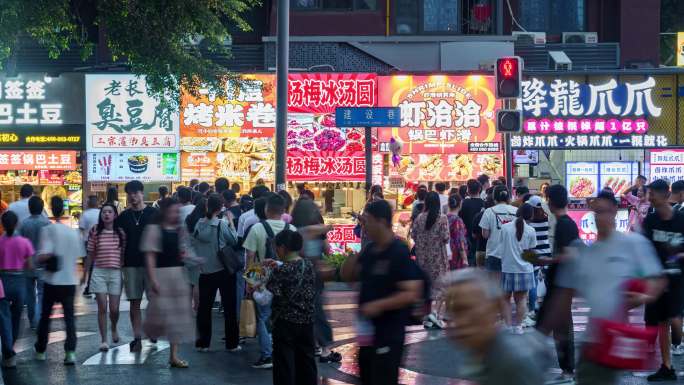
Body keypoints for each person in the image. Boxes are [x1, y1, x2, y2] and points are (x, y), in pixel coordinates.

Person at [547, 189, 665, 385]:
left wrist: (643, 298)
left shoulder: (633, 243)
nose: (599, 217)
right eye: (596, 212)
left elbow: (658, 279)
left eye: (604, 211)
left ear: (614, 211)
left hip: (617, 338)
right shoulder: (588, 253)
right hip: (592, 342)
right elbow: (566, 293)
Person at [336, 199, 422, 385]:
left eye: (367, 221)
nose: (364, 226)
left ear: (382, 222)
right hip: (367, 337)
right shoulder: (370, 250)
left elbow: (410, 292)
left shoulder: (398, 251)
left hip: (388, 335)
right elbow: (349, 277)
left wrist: (378, 305)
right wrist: (351, 259)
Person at [442, 269, 548, 385]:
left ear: (494, 307)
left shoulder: (511, 362)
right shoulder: (485, 353)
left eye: (466, 309)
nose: (459, 321)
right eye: (454, 312)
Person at [141, 198, 197, 368]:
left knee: (177, 318)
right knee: (159, 315)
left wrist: (194, 259)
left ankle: (174, 355)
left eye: (177, 212)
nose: (176, 214)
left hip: (178, 276)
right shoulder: (154, 229)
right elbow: (150, 256)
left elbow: (184, 251)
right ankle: (149, 335)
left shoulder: (180, 230)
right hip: (161, 275)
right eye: (173, 211)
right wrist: (152, 279)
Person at [243, 194, 297, 369]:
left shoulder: (257, 228)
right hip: (288, 283)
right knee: (286, 318)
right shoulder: (292, 229)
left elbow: (250, 257)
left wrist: (250, 283)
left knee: (264, 318)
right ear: (283, 210)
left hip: (263, 284)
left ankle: (267, 356)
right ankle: (285, 353)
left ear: (266, 209)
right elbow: (297, 259)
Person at [641, 180, 684, 381]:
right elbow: (643, 250)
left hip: (677, 278)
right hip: (657, 279)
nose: (650, 198)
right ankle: (666, 367)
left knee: (675, 320)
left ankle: (678, 339)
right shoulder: (650, 221)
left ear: (665, 196)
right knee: (661, 324)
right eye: (649, 194)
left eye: (652, 195)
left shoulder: (681, 220)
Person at [35, 196, 85, 365]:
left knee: (45, 317)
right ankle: (70, 352)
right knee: (70, 319)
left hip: (51, 280)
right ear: (63, 209)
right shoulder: (73, 232)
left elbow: (45, 254)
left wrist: (36, 259)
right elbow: (80, 254)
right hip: (70, 281)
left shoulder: (48, 230)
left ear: (50, 208)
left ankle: (41, 349)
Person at [535, 184, 578, 381]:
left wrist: (545, 261)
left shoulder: (564, 225)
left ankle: (567, 370)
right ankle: (566, 369)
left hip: (561, 285)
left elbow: (568, 255)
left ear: (550, 202)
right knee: (557, 328)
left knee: (553, 329)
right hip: (562, 284)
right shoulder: (566, 223)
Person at [290, 198, 340, 363]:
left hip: (297, 274)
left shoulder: (293, 229)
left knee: (302, 310)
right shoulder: (314, 230)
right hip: (314, 274)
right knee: (318, 311)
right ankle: (325, 347)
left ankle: (311, 344)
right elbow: (327, 249)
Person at [267, 230, 317, 385]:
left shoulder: (280, 271)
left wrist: (256, 287)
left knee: (284, 364)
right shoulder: (307, 265)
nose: (276, 251)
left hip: (285, 323)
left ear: (283, 248)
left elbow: (265, 298)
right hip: (307, 321)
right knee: (306, 361)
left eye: (277, 247)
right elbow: (293, 270)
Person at [192, 194, 240, 352]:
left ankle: (203, 343)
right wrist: (231, 222)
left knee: (204, 308)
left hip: (205, 270)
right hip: (223, 270)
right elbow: (234, 240)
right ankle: (232, 343)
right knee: (229, 308)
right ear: (220, 208)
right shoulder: (221, 224)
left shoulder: (199, 224)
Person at [115, 180, 158, 352]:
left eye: (136, 193)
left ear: (142, 194)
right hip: (130, 264)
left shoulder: (154, 213)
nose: (133, 196)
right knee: (135, 302)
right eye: (130, 193)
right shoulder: (123, 217)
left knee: (154, 300)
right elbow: (117, 240)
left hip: (151, 265)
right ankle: (137, 337)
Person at [83, 204, 126, 352]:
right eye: (104, 212)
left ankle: (114, 327)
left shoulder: (120, 232)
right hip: (99, 272)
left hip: (115, 273)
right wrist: (85, 273)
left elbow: (124, 254)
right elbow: (90, 253)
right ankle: (104, 340)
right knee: (102, 306)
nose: (106, 214)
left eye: (110, 212)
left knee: (114, 309)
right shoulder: (95, 231)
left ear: (115, 215)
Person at [411, 192, 450, 329]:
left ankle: (428, 317)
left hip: (422, 258)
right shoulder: (442, 218)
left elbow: (413, 235)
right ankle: (436, 315)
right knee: (440, 287)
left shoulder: (419, 218)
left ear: (426, 203)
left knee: (426, 287)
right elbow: (446, 238)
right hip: (438, 258)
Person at [0, 211, 34, 368]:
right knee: (16, 317)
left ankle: (7, 350)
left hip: (3, 281)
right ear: (17, 224)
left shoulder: (0, 242)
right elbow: (30, 265)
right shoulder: (24, 242)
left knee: (4, 318)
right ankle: (10, 347)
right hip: (20, 281)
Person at [499, 204, 537, 334]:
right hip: (525, 269)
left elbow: (501, 246)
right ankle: (519, 326)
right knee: (521, 299)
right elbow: (531, 251)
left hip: (507, 267)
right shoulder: (531, 230)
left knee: (505, 299)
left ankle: (508, 325)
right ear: (530, 215)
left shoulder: (505, 228)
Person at [18, 196, 51, 330]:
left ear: (29, 208)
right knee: (42, 293)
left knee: (29, 293)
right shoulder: (47, 223)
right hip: (43, 264)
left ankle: (32, 320)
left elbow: (20, 245)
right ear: (42, 207)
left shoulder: (23, 224)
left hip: (28, 263)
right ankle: (39, 319)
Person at [479, 185, 518, 280]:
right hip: (513, 254)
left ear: (494, 197)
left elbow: (485, 235)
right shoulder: (516, 211)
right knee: (509, 288)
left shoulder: (489, 211)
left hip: (494, 253)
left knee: (494, 288)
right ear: (508, 197)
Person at [524, 195, 551, 324]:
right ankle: (547, 309)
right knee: (547, 282)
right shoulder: (546, 218)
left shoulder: (529, 222)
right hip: (546, 252)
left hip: (534, 254)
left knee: (533, 282)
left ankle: (532, 310)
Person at [184, 197, 207, 311]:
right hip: (200, 254)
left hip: (188, 253)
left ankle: (187, 308)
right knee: (197, 283)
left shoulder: (189, 218)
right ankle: (197, 307)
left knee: (189, 283)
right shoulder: (203, 221)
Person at [460, 179, 485, 266]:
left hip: (466, 237)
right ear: (479, 189)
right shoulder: (484, 204)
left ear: (468, 190)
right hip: (481, 238)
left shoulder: (464, 203)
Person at [446, 194, 468, 270]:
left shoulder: (443, 218)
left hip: (445, 253)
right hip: (456, 255)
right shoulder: (457, 220)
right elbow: (460, 242)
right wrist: (465, 259)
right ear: (460, 204)